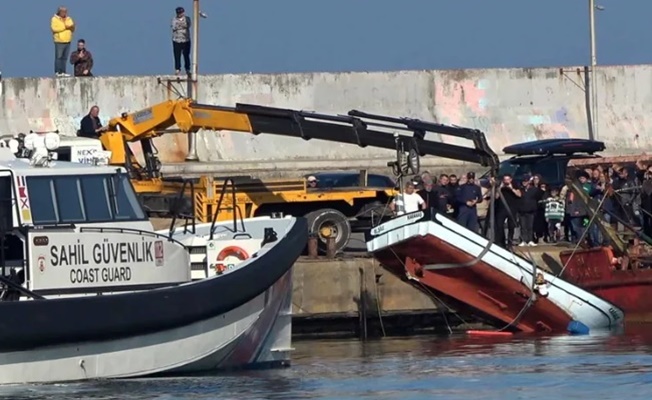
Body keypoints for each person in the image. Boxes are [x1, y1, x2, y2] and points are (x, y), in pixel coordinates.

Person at [494, 174, 522, 248]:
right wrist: (500, 188)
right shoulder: (500, 186)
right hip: (501, 209)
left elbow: (519, 195)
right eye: (505, 180)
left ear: (511, 180)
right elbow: (496, 197)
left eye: (507, 179)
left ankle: (510, 242)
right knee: (499, 225)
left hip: (511, 209)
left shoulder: (515, 185)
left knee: (511, 226)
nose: (506, 181)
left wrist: (511, 188)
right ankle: (501, 242)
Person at [518, 175, 542, 246]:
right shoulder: (520, 190)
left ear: (529, 181)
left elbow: (539, 195)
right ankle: (523, 240)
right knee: (523, 226)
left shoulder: (534, 189)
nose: (524, 182)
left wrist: (537, 185)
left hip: (531, 211)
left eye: (526, 181)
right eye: (523, 181)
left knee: (530, 227)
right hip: (522, 211)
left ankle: (530, 240)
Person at [51, 6, 75, 77]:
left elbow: (72, 27)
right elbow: (54, 28)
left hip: (68, 40)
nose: (64, 13)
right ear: (59, 12)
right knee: (59, 57)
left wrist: (71, 27)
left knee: (64, 57)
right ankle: (58, 72)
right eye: (63, 11)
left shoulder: (69, 19)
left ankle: (63, 71)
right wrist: (65, 27)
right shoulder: (54, 19)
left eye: (65, 11)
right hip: (59, 41)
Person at [171, 7, 192, 75]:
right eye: (179, 13)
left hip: (186, 39)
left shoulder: (187, 18)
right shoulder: (174, 19)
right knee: (177, 55)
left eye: (181, 12)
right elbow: (174, 27)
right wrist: (183, 26)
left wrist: (180, 26)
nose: (180, 14)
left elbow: (188, 25)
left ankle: (187, 69)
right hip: (176, 40)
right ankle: (177, 69)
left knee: (186, 55)